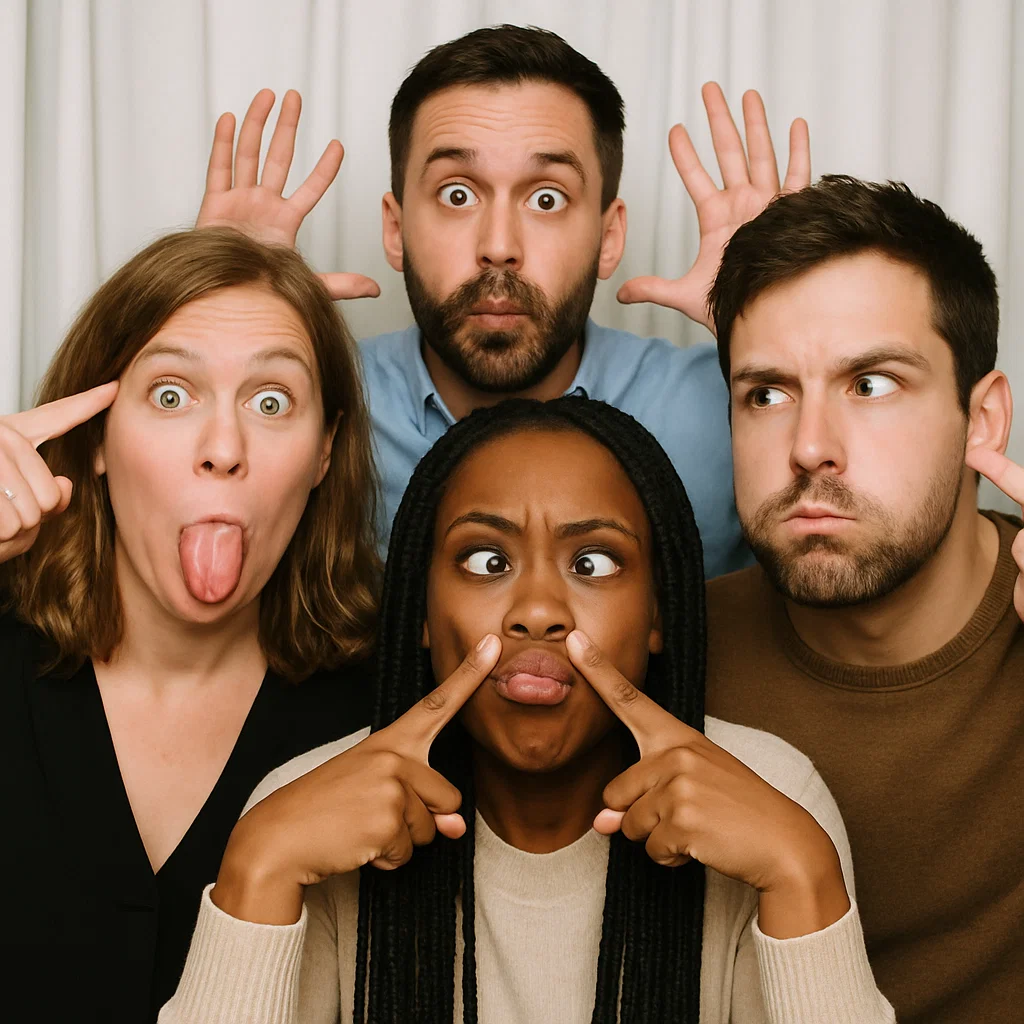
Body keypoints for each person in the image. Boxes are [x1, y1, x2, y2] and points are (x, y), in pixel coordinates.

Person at [161, 397, 895, 1023]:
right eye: (486, 562)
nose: (537, 612)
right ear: (419, 610)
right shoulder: (301, 814)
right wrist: (256, 869)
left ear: (658, 615)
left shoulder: (775, 795)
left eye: (592, 564)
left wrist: (805, 877)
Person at [195, 24, 811, 576]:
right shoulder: (313, 402)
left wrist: (776, 324)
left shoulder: (724, 404)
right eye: (457, 194)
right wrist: (216, 313)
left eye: (546, 198)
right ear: (395, 229)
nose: (498, 247)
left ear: (609, 236)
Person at [0, 228, 379, 1023]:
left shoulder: (386, 709)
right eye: (171, 395)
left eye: (271, 402)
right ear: (98, 438)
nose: (223, 448)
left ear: (323, 454)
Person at [702, 175, 1024, 1023]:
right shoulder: (663, 650)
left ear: (984, 419)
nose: (810, 447)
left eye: (872, 384)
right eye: (765, 394)